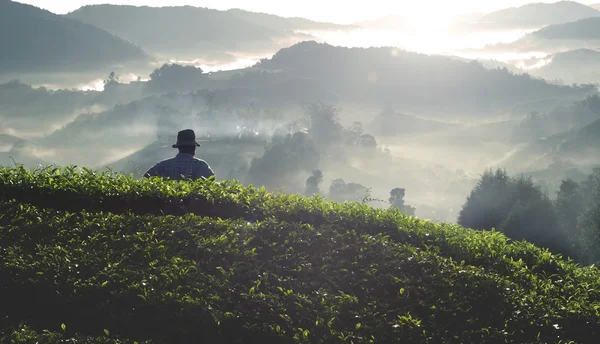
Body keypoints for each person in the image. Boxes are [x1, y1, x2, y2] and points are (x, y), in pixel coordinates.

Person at [144, 129, 214, 181]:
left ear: (179, 147)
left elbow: (146, 178)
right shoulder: (201, 166)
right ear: (193, 148)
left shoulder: (162, 165)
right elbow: (211, 181)